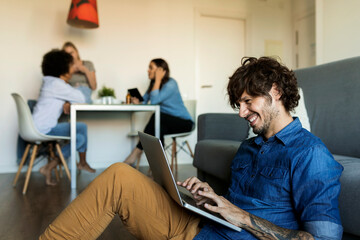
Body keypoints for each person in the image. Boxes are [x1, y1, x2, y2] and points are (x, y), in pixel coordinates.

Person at [39, 57, 343, 239]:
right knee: (119, 175)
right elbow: (238, 202)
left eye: (248, 102)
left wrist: (241, 217)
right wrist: (211, 197)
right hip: (196, 226)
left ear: (275, 92)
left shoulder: (310, 154)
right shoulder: (249, 148)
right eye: (238, 104)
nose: (241, 112)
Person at [33, 49, 96, 186]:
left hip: (38, 126)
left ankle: (51, 167)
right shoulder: (57, 84)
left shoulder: (50, 82)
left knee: (80, 133)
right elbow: (82, 98)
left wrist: (68, 100)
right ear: (63, 68)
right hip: (44, 128)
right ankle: (79, 163)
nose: (73, 69)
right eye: (71, 65)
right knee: (81, 132)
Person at [123, 58, 193, 166]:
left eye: (151, 68)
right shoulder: (153, 85)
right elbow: (145, 101)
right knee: (158, 127)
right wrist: (138, 102)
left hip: (184, 123)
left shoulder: (171, 84)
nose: (148, 70)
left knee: (157, 117)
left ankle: (136, 152)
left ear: (160, 70)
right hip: (165, 122)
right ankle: (160, 168)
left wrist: (158, 80)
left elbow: (154, 101)